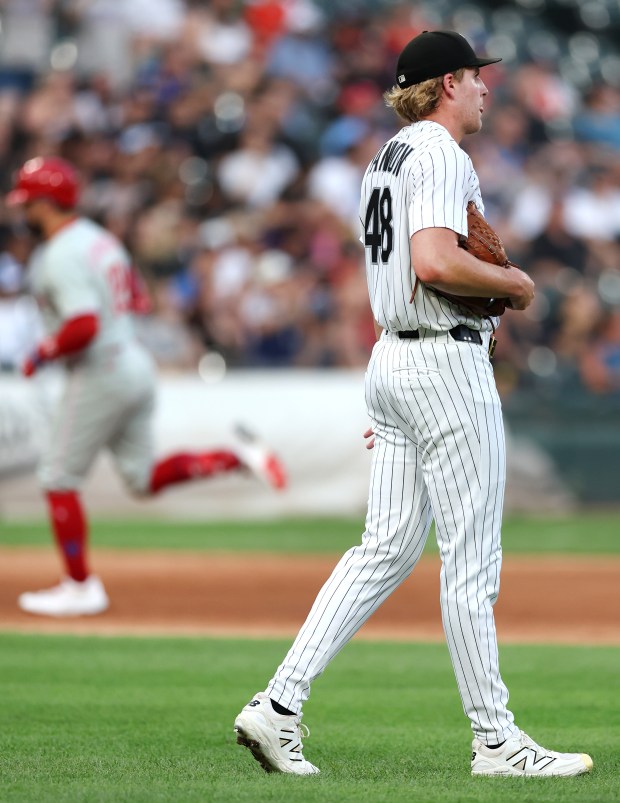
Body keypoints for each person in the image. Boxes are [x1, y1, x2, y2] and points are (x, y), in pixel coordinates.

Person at [233, 30, 593, 778]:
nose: (487, 88)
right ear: (448, 83)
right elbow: (433, 260)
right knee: (471, 564)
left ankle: (277, 705)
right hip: (440, 360)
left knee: (384, 548)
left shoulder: (385, 157)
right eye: (477, 76)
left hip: (393, 357)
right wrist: (515, 284)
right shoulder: (438, 152)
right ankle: (496, 740)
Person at [6, 156, 287, 618]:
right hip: (135, 362)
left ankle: (79, 586)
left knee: (57, 477)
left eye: (29, 202)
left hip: (101, 369)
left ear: (46, 201)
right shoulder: (98, 240)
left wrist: (41, 353)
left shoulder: (59, 254)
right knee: (140, 478)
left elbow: (83, 325)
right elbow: (136, 296)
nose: (23, 211)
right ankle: (235, 457)